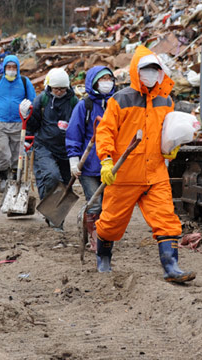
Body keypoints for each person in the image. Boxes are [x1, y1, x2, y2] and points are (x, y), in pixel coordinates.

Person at [93, 45, 196, 283]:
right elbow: (105, 131)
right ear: (136, 72)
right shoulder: (120, 100)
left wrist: (171, 147)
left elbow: (167, 131)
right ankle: (104, 257)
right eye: (145, 69)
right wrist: (107, 161)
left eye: (154, 69)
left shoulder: (166, 100)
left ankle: (171, 267)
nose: (150, 74)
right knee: (110, 223)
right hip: (124, 173)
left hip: (155, 174)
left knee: (166, 219)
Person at [66, 65, 115, 248]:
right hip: (88, 166)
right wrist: (73, 159)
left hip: (110, 164)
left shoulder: (115, 105)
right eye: (102, 80)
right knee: (95, 204)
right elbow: (73, 134)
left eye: (109, 79)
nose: (106, 83)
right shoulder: (84, 106)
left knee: (109, 206)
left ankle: (103, 236)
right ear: (93, 82)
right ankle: (95, 239)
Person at [0, 55, 36, 192]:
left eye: (14, 67)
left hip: (19, 123)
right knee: (1, 151)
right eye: (8, 67)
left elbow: (33, 100)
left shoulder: (24, 82)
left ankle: (14, 177)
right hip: (1, 123)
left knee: (17, 154)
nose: (11, 70)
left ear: (17, 69)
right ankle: (4, 177)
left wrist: (30, 115)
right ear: (4, 68)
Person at [28, 68, 78, 210]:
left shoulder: (74, 102)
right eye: (56, 89)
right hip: (44, 145)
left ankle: (55, 216)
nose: (59, 92)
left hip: (66, 148)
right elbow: (33, 123)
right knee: (52, 175)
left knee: (66, 183)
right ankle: (48, 207)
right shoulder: (42, 100)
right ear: (50, 87)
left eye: (62, 89)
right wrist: (27, 115)